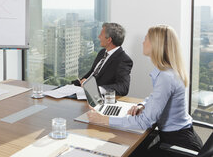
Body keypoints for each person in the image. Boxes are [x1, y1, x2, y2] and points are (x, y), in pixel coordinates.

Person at [86, 25, 203, 156]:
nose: (143, 42)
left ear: (155, 45)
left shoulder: (166, 77)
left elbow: (144, 122)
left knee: (125, 150)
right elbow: (155, 98)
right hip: (175, 137)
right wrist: (142, 105)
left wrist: (104, 120)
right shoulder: (166, 71)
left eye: (146, 39)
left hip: (179, 145)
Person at [74, 22, 133, 96]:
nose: (99, 37)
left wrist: (96, 89)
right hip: (82, 93)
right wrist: (75, 84)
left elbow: (123, 88)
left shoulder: (123, 60)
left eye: (101, 35)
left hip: (98, 99)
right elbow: (91, 74)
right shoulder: (102, 52)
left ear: (109, 40)